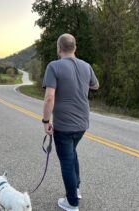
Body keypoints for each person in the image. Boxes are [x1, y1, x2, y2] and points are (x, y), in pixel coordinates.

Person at [42, 33, 99, 211]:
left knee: (67, 160)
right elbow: (96, 85)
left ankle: (72, 202)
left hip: (64, 125)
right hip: (82, 124)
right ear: (74, 48)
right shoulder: (86, 66)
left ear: (59, 49)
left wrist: (45, 120)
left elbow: (49, 98)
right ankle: (76, 189)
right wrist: (80, 82)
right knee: (72, 154)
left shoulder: (54, 66)